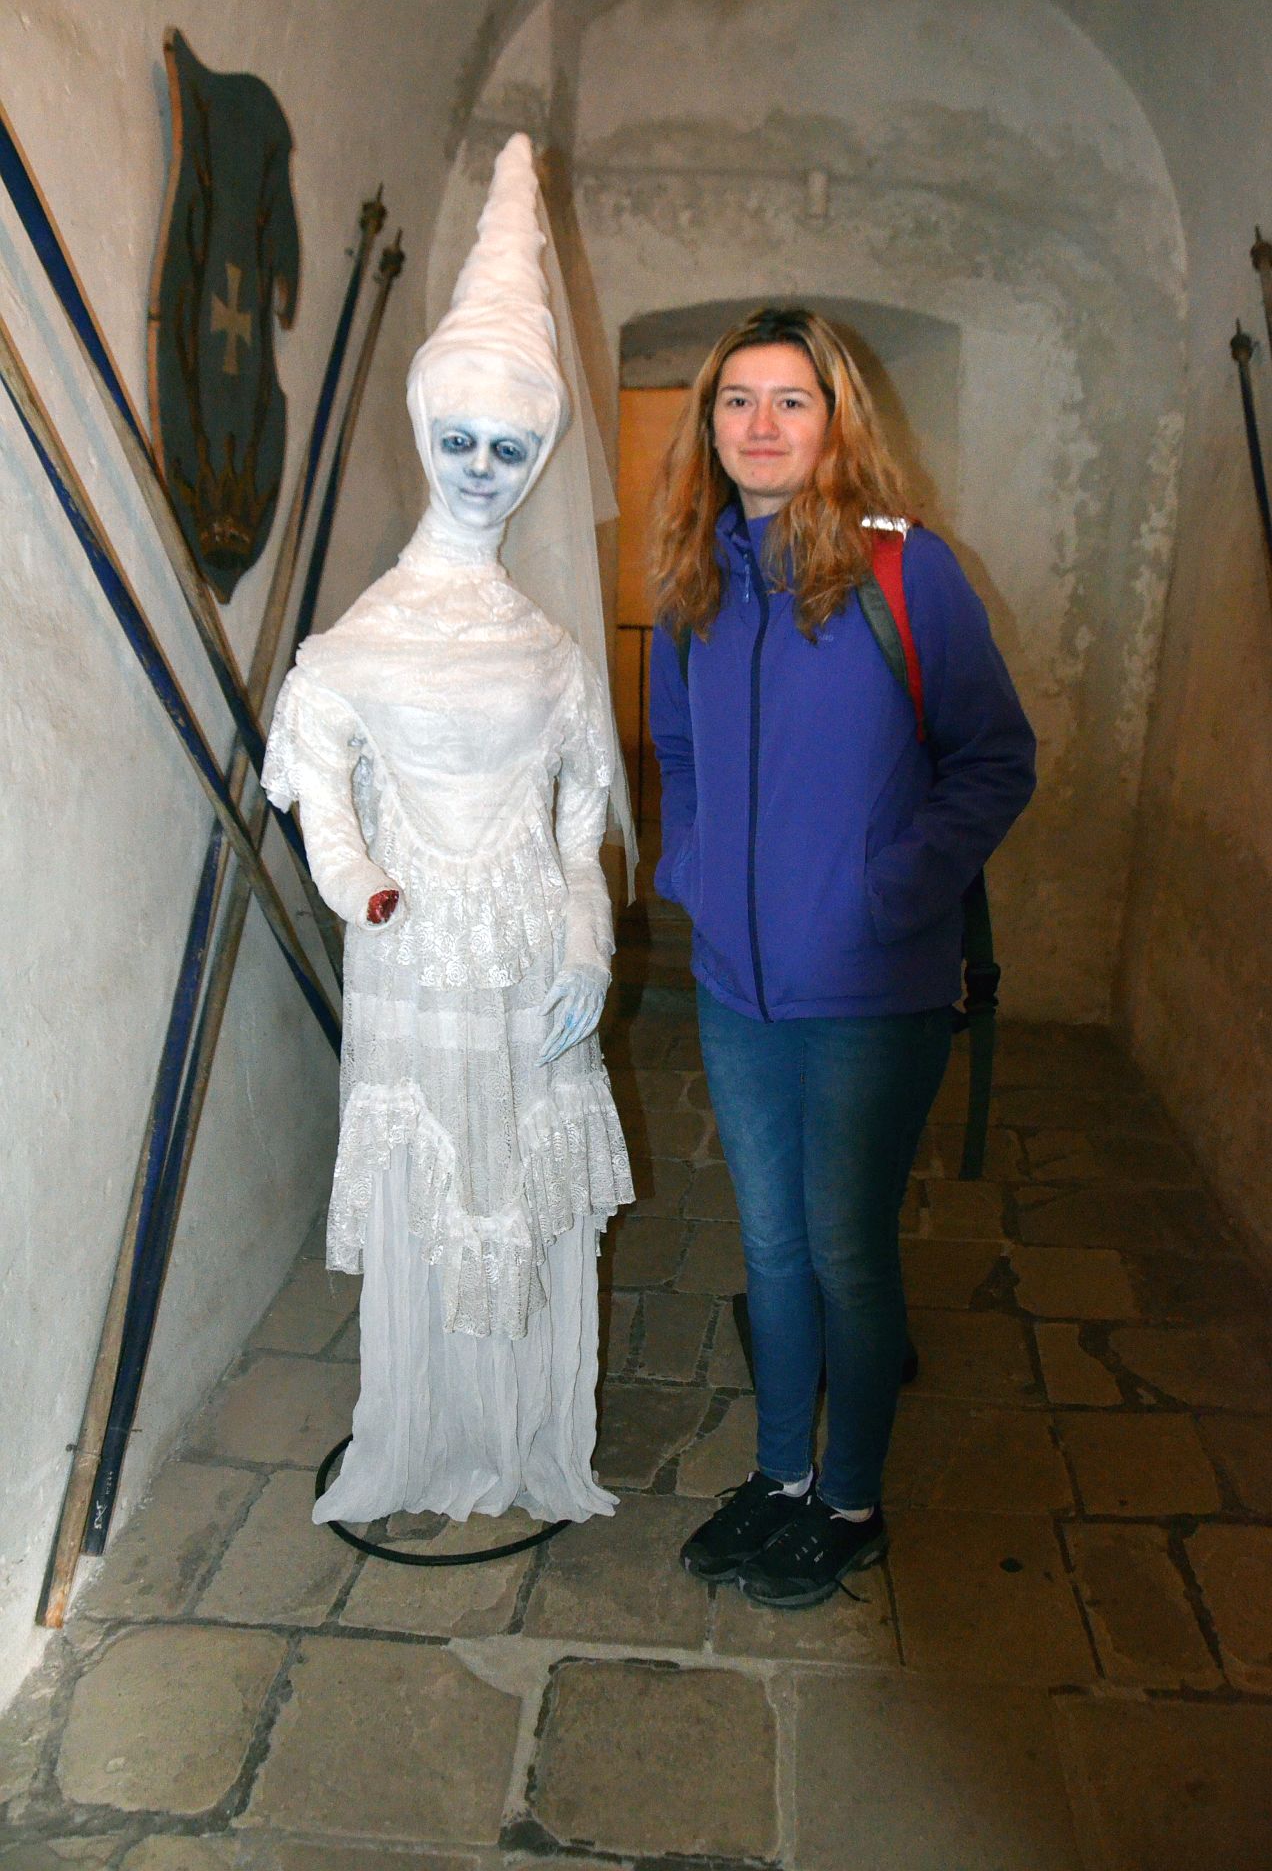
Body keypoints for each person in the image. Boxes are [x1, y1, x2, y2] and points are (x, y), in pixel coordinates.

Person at [263, 134, 635, 1527]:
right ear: (426, 438)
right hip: (414, 957)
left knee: (525, 1194)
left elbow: (581, 821)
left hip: (534, 958)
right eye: (462, 442)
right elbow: (318, 774)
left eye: (511, 449)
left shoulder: (549, 651)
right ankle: (423, 1430)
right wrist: (358, 880)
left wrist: (590, 945)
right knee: (437, 1193)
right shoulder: (359, 639)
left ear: (539, 459)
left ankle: (521, 1427)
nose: (483, 469)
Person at [648, 307, 1035, 1607]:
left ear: (835, 420)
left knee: (845, 1251)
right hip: (736, 989)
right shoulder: (694, 582)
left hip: (873, 991)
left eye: (791, 400)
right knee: (768, 1249)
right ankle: (780, 1480)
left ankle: (851, 1500)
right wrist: (691, 869)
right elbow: (680, 751)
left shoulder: (905, 572)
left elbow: (995, 760)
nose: (761, 425)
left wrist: (893, 890)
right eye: (737, 401)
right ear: (710, 426)